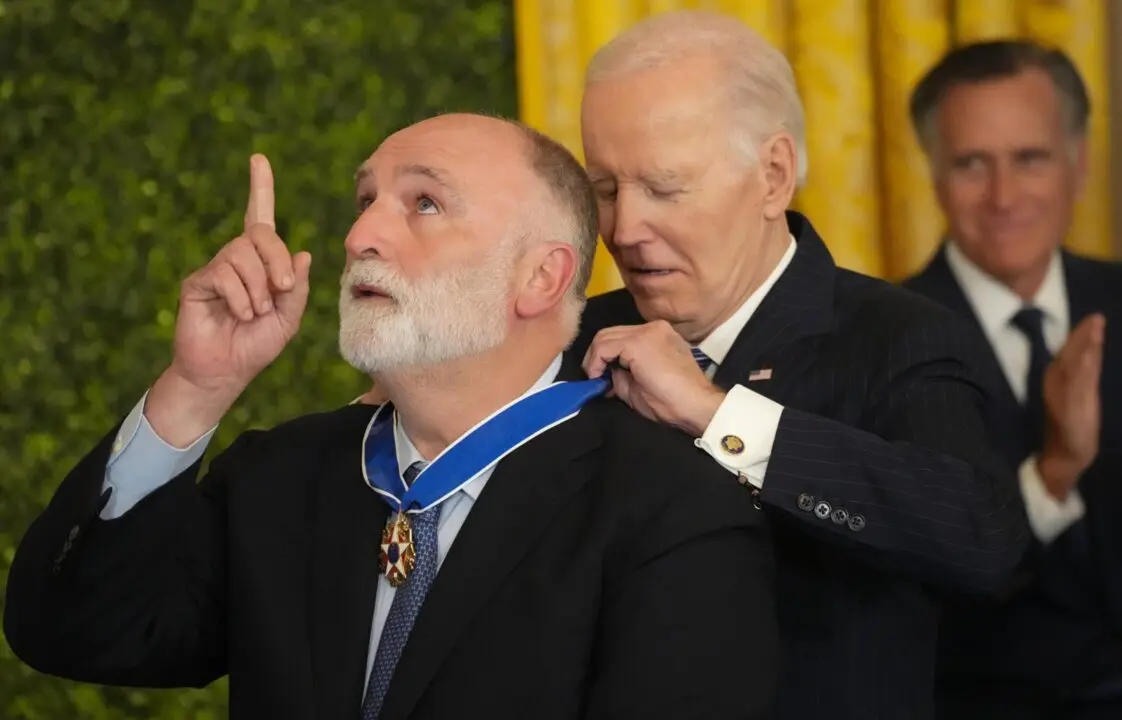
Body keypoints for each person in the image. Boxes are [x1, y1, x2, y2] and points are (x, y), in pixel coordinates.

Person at [4, 113, 779, 719]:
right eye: (365, 201)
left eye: (425, 203)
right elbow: (72, 633)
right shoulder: (279, 475)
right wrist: (196, 386)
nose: (360, 235)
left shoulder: (675, 514)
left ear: (542, 277)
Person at [554, 10, 1030, 720]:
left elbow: (983, 538)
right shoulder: (569, 335)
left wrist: (720, 419)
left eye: (664, 187)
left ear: (773, 176)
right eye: (606, 189)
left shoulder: (899, 335)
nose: (624, 231)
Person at [902, 40, 1122, 719]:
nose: (1003, 197)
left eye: (1030, 159)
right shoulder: (881, 342)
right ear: (934, 175)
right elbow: (921, 593)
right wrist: (1052, 472)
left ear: (1079, 164)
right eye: (972, 164)